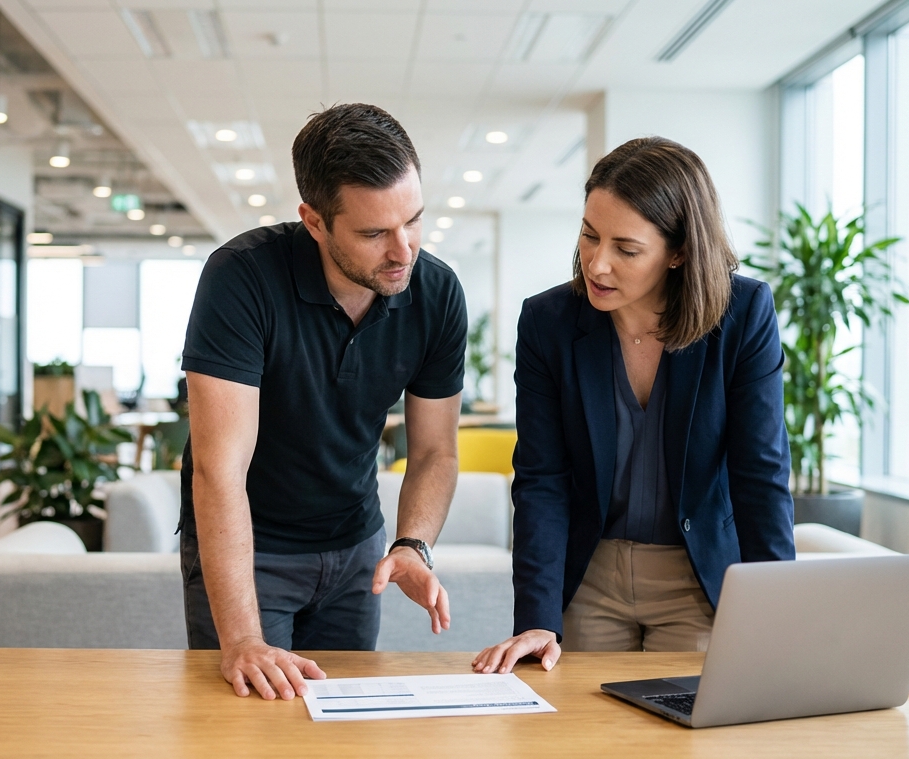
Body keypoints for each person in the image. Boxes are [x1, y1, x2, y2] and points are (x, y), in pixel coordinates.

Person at [474, 137, 794, 674]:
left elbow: (760, 475)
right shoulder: (548, 323)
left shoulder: (743, 316)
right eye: (588, 235)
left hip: (696, 578)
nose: (597, 265)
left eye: (626, 249)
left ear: (679, 251)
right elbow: (541, 478)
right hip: (589, 577)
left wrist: (777, 616)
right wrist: (535, 617)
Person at [180, 103, 467, 700]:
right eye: (372, 233)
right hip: (251, 549)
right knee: (244, 730)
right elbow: (219, 468)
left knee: (346, 734)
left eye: (413, 220)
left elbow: (437, 451)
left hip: (356, 550)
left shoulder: (436, 293)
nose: (403, 251)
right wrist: (240, 639)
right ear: (313, 220)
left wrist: (413, 542)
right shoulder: (242, 278)